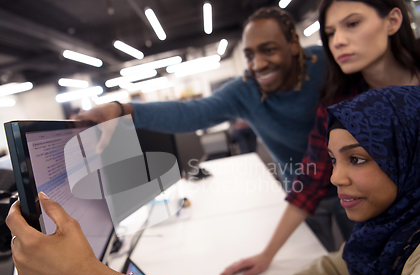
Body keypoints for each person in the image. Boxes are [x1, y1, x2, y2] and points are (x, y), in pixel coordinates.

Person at [7, 85, 420, 275]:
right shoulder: (393, 233)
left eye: (358, 158)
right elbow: (339, 266)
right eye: (334, 160)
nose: (334, 178)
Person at [79, 7, 354, 254]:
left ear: (294, 44)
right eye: (249, 55)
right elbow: (193, 112)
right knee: (315, 258)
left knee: (370, 258)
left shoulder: (329, 65)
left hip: (354, 181)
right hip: (300, 190)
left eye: (268, 50)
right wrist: (124, 110)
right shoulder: (246, 90)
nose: (258, 64)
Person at [218, 0, 420, 275]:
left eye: (352, 24)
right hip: (394, 244)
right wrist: (268, 254)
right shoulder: (342, 101)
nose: (338, 41)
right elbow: (312, 175)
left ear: (393, 21)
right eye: (330, 32)